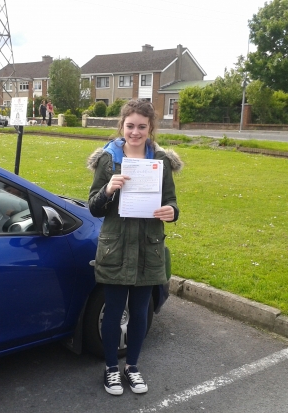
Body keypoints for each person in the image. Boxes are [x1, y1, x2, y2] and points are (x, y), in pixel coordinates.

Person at [87, 99, 183, 396]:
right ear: (122, 125)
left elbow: (171, 200)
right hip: (116, 248)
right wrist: (108, 189)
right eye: (130, 126)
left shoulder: (161, 161)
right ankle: (112, 369)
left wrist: (172, 211)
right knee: (114, 311)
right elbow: (94, 207)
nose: (135, 132)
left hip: (148, 248)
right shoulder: (108, 159)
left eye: (142, 126)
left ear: (151, 127)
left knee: (141, 312)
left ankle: (133, 366)